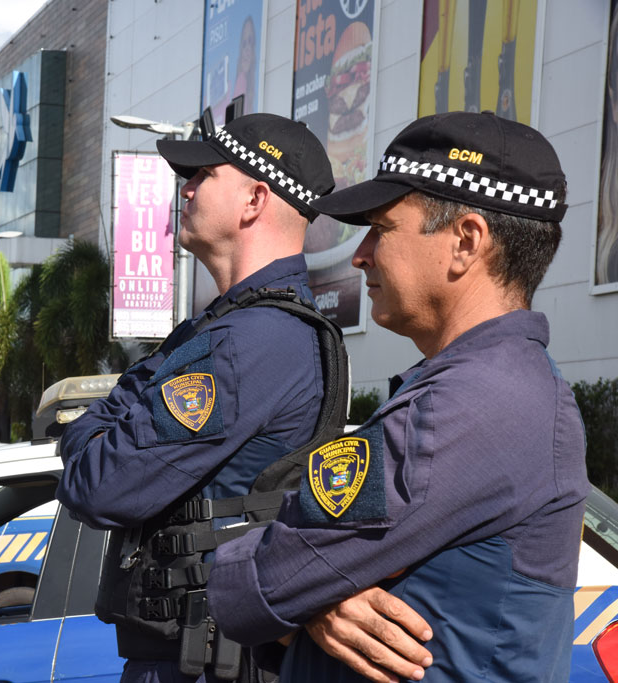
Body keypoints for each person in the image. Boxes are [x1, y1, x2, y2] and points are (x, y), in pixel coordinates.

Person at [205, 111, 588, 681]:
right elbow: (302, 565)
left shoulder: (472, 403)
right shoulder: (491, 387)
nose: (360, 256)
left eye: (381, 229)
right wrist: (314, 601)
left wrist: (299, 591)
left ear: (465, 241)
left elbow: (275, 570)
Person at [57, 113, 341, 682]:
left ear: (254, 200)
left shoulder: (247, 342)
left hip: (204, 663)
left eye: (202, 174)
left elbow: (98, 483)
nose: (184, 188)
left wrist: (82, 428)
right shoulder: (226, 329)